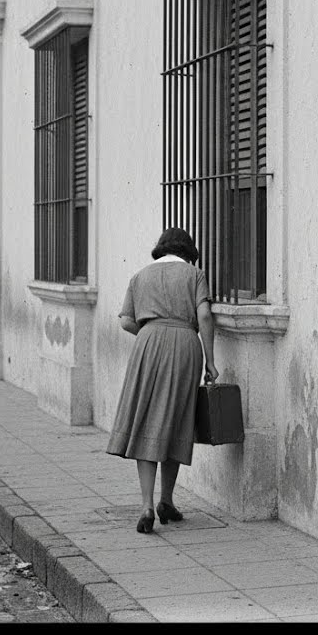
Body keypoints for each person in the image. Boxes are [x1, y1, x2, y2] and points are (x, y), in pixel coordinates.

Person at [106, 227, 218, 534]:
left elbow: (126, 320)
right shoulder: (194, 275)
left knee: (147, 421)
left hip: (148, 343)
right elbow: (205, 315)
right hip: (185, 344)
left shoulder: (140, 276)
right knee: (177, 419)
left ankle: (146, 505)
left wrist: (150, 333)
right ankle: (166, 500)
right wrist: (210, 360)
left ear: (161, 248)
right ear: (188, 251)